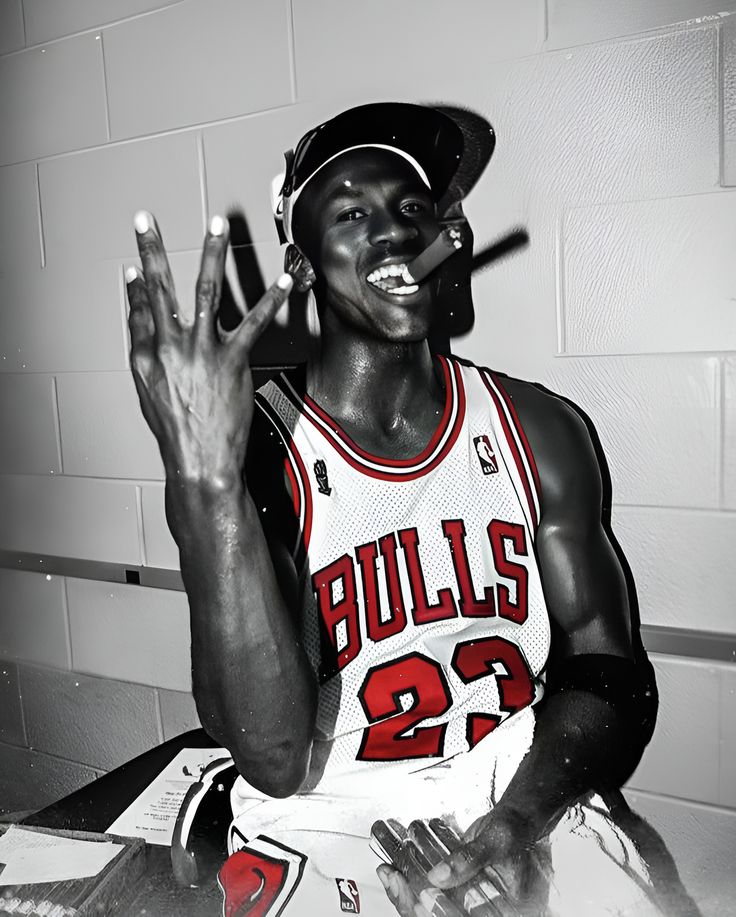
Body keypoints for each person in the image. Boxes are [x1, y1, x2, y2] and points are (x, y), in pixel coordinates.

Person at [125, 102, 692, 916]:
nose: (393, 231)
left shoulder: (541, 431)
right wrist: (205, 478)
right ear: (306, 263)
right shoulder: (255, 449)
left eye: (413, 209)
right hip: (322, 813)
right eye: (353, 214)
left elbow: (609, 674)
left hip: (517, 782)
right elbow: (275, 756)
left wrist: (514, 825)